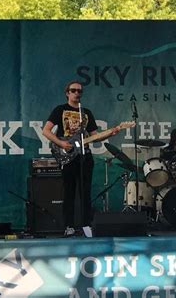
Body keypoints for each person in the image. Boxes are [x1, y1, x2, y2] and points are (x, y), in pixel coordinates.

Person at [43, 81, 120, 236]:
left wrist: (110, 133)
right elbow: (46, 130)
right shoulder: (60, 110)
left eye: (79, 91)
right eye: (73, 90)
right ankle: (68, 226)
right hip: (68, 155)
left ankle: (86, 225)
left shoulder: (86, 112)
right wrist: (61, 143)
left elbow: (94, 137)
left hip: (84, 155)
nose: (77, 93)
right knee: (69, 192)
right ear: (67, 93)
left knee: (85, 192)